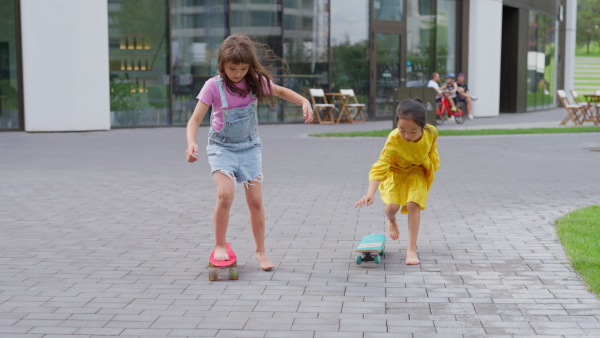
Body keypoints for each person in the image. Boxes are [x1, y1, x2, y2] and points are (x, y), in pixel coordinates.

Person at [185, 34, 314, 271]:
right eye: (233, 68)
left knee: (255, 201)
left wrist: (304, 101)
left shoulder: (254, 81)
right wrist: (191, 143)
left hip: (250, 146)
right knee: (225, 195)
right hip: (221, 147)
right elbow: (194, 120)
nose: (238, 73)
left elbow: (282, 92)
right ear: (222, 63)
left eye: (243, 68)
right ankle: (220, 245)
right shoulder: (213, 86)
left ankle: (260, 252)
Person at [355, 98, 440, 265]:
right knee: (391, 207)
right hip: (396, 171)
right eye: (402, 130)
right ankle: (391, 219)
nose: (407, 135)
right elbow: (381, 164)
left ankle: (411, 249)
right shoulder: (394, 138)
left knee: (413, 204)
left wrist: (431, 168)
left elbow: (432, 151)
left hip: (417, 171)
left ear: (423, 126)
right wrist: (370, 193)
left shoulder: (431, 133)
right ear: (396, 124)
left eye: (413, 131)